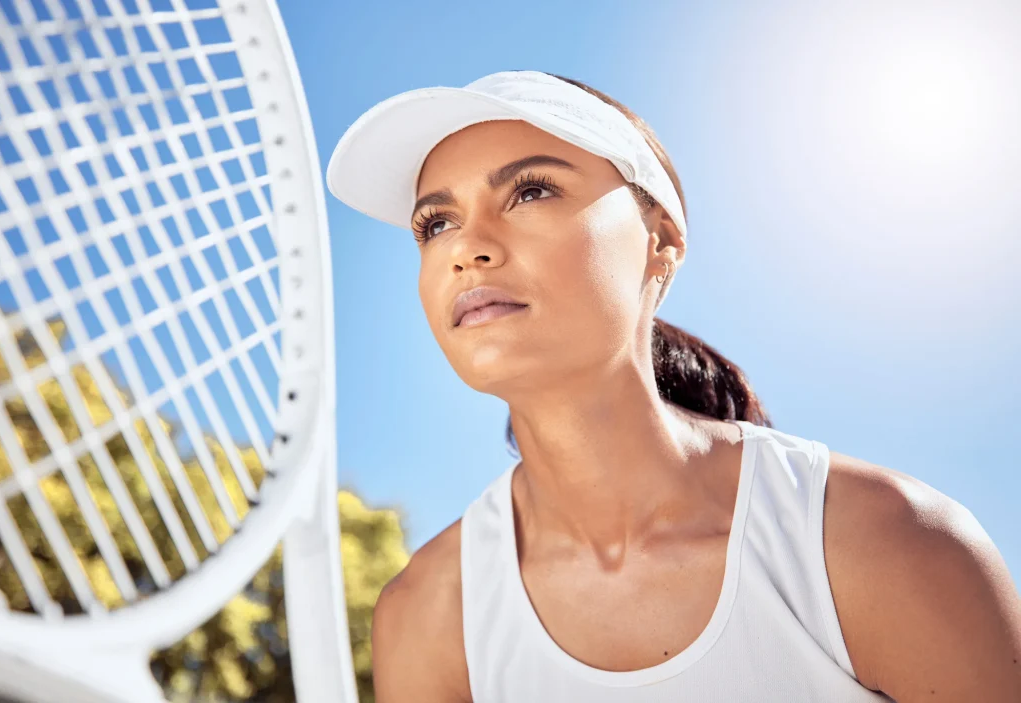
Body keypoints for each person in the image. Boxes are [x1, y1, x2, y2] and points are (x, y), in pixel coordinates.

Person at [326, 70, 1021, 702]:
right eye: (434, 222)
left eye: (530, 190)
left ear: (660, 238)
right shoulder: (427, 612)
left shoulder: (886, 543)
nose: (464, 248)